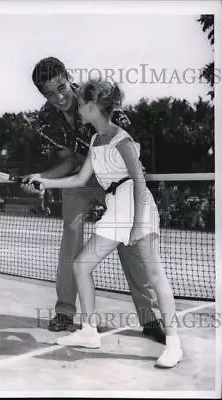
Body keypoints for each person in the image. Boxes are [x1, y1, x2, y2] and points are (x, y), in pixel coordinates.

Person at [29, 79, 183, 368]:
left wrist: (137, 224)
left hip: (137, 206)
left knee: (155, 274)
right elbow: (79, 179)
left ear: (90, 107)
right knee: (81, 265)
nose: (77, 111)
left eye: (82, 106)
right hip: (115, 208)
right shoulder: (95, 139)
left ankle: (174, 344)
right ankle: (89, 331)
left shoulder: (120, 139)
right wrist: (45, 182)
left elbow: (138, 180)